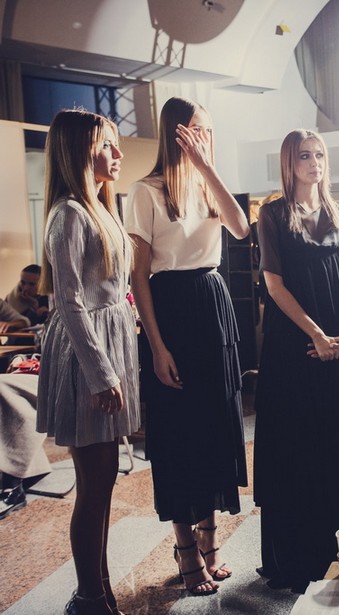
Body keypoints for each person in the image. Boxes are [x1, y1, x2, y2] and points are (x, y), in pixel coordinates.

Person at [125, 97, 249, 597]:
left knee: (216, 427)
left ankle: (210, 539)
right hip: (171, 309)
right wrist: (156, 346)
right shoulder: (145, 191)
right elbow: (139, 276)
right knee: (179, 433)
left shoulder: (207, 185)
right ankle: (184, 549)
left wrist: (206, 166)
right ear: (175, 132)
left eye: (209, 131)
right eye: (196, 130)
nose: (204, 139)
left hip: (213, 304)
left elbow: (241, 227)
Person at [253, 129, 339, 593]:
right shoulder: (272, 214)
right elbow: (274, 285)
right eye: (304, 156)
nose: (314, 163)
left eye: (320, 155)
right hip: (293, 343)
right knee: (299, 445)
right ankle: (303, 553)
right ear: (289, 164)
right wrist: (315, 334)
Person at [35, 109, 140, 615]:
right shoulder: (70, 214)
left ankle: (100, 591)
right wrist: (102, 374)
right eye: (106, 145)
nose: (117, 155)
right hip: (86, 354)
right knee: (94, 484)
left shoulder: (100, 207)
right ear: (79, 151)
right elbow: (71, 302)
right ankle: (88, 597)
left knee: (104, 480)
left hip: (107, 345)